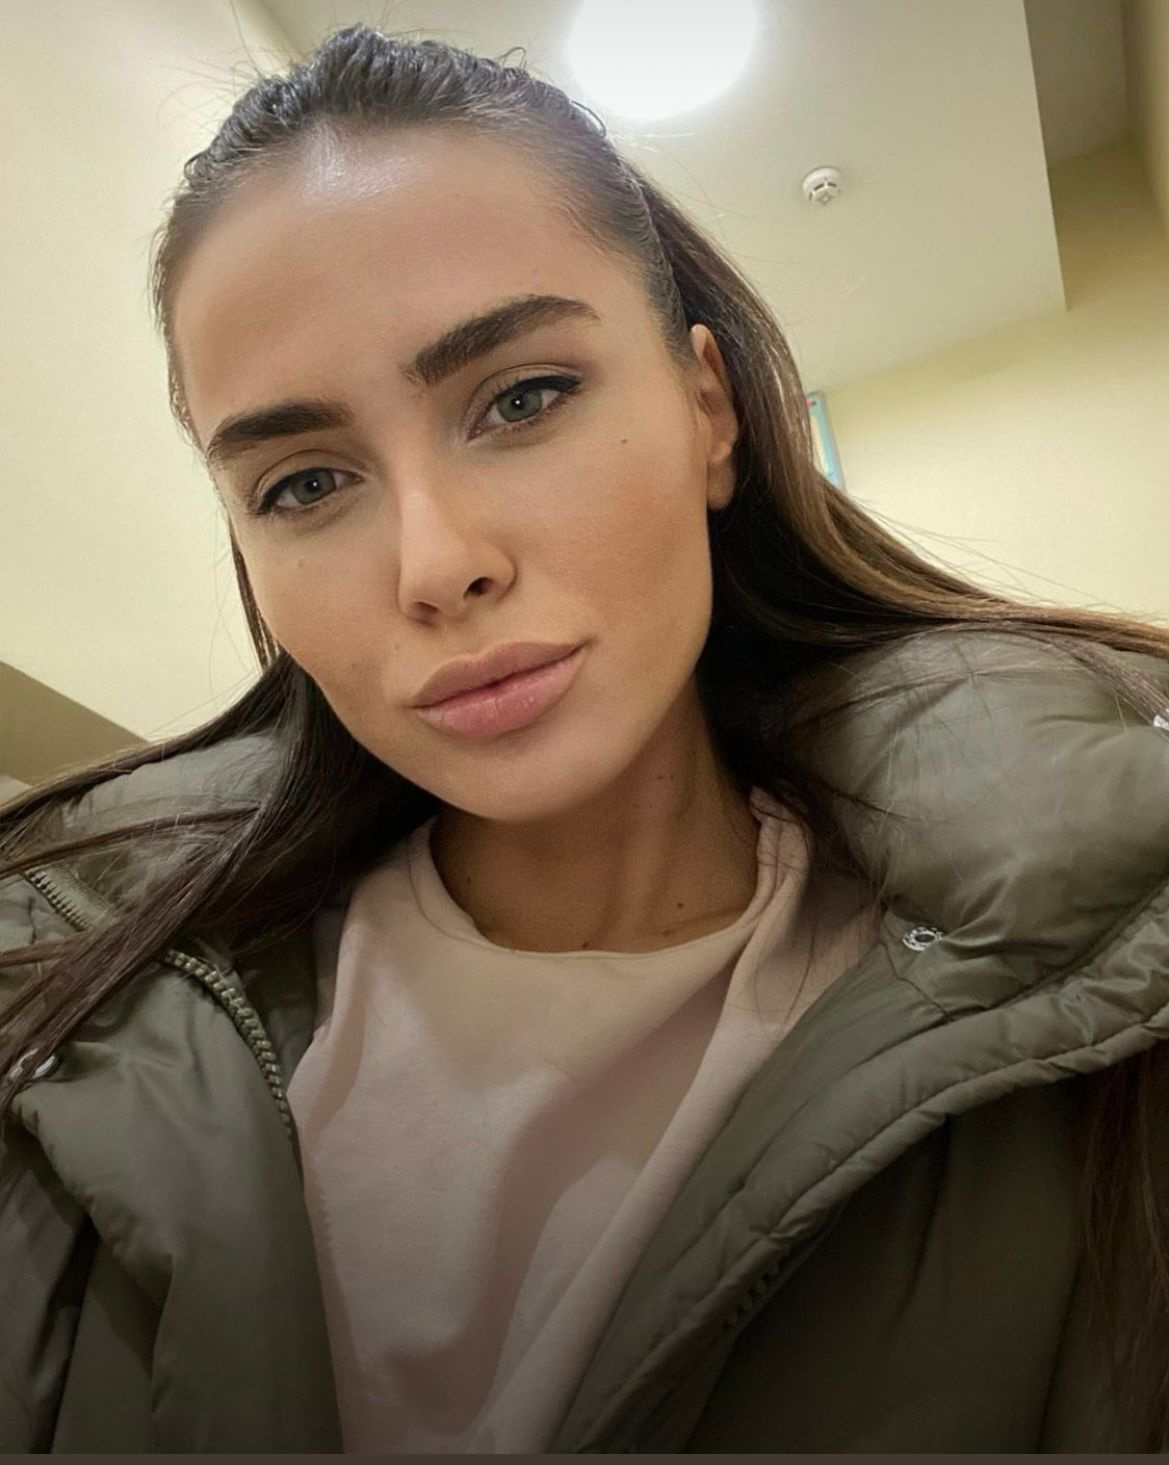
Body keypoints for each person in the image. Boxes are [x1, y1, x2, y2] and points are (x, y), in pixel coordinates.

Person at [1, 24, 1167, 1455]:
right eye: (304, 483)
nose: (437, 564)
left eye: (524, 398)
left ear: (707, 410)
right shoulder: (66, 1020)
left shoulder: (1107, 988)